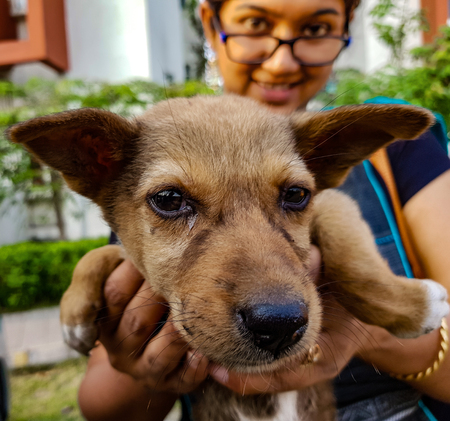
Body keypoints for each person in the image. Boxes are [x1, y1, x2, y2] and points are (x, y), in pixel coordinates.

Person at [78, 1, 450, 420]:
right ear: (211, 22)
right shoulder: (144, 168)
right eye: (255, 24)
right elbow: (101, 408)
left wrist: (364, 330)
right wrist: (138, 367)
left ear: (345, 30)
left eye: (315, 28)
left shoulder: (399, 151)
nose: (281, 61)